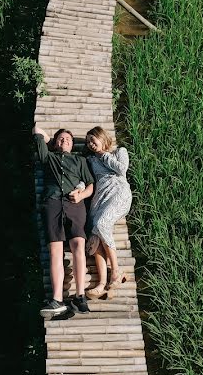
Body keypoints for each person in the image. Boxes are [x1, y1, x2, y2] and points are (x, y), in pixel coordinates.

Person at [34, 126, 94, 317]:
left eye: (68, 139)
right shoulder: (48, 157)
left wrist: (82, 194)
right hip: (52, 204)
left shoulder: (80, 160)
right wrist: (50, 140)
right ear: (54, 143)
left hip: (74, 204)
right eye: (60, 138)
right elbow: (36, 130)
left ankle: (80, 295)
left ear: (73, 144)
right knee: (55, 250)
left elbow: (91, 185)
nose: (64, 140)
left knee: (78, 245)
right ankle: (57, 299)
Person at [84, 126, 131, 299]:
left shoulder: (120, 152)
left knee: (102, 224)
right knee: (95, 236)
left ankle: (117, 271)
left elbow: (122, 170)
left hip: (118, 193)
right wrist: (80, 189)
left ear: (101, 137)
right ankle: (102, 284)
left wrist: (104, 154)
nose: (90, 144)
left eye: (92, 140)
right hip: (99, 200)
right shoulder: (89, 160)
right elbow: (86, 179)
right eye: (88, 141)